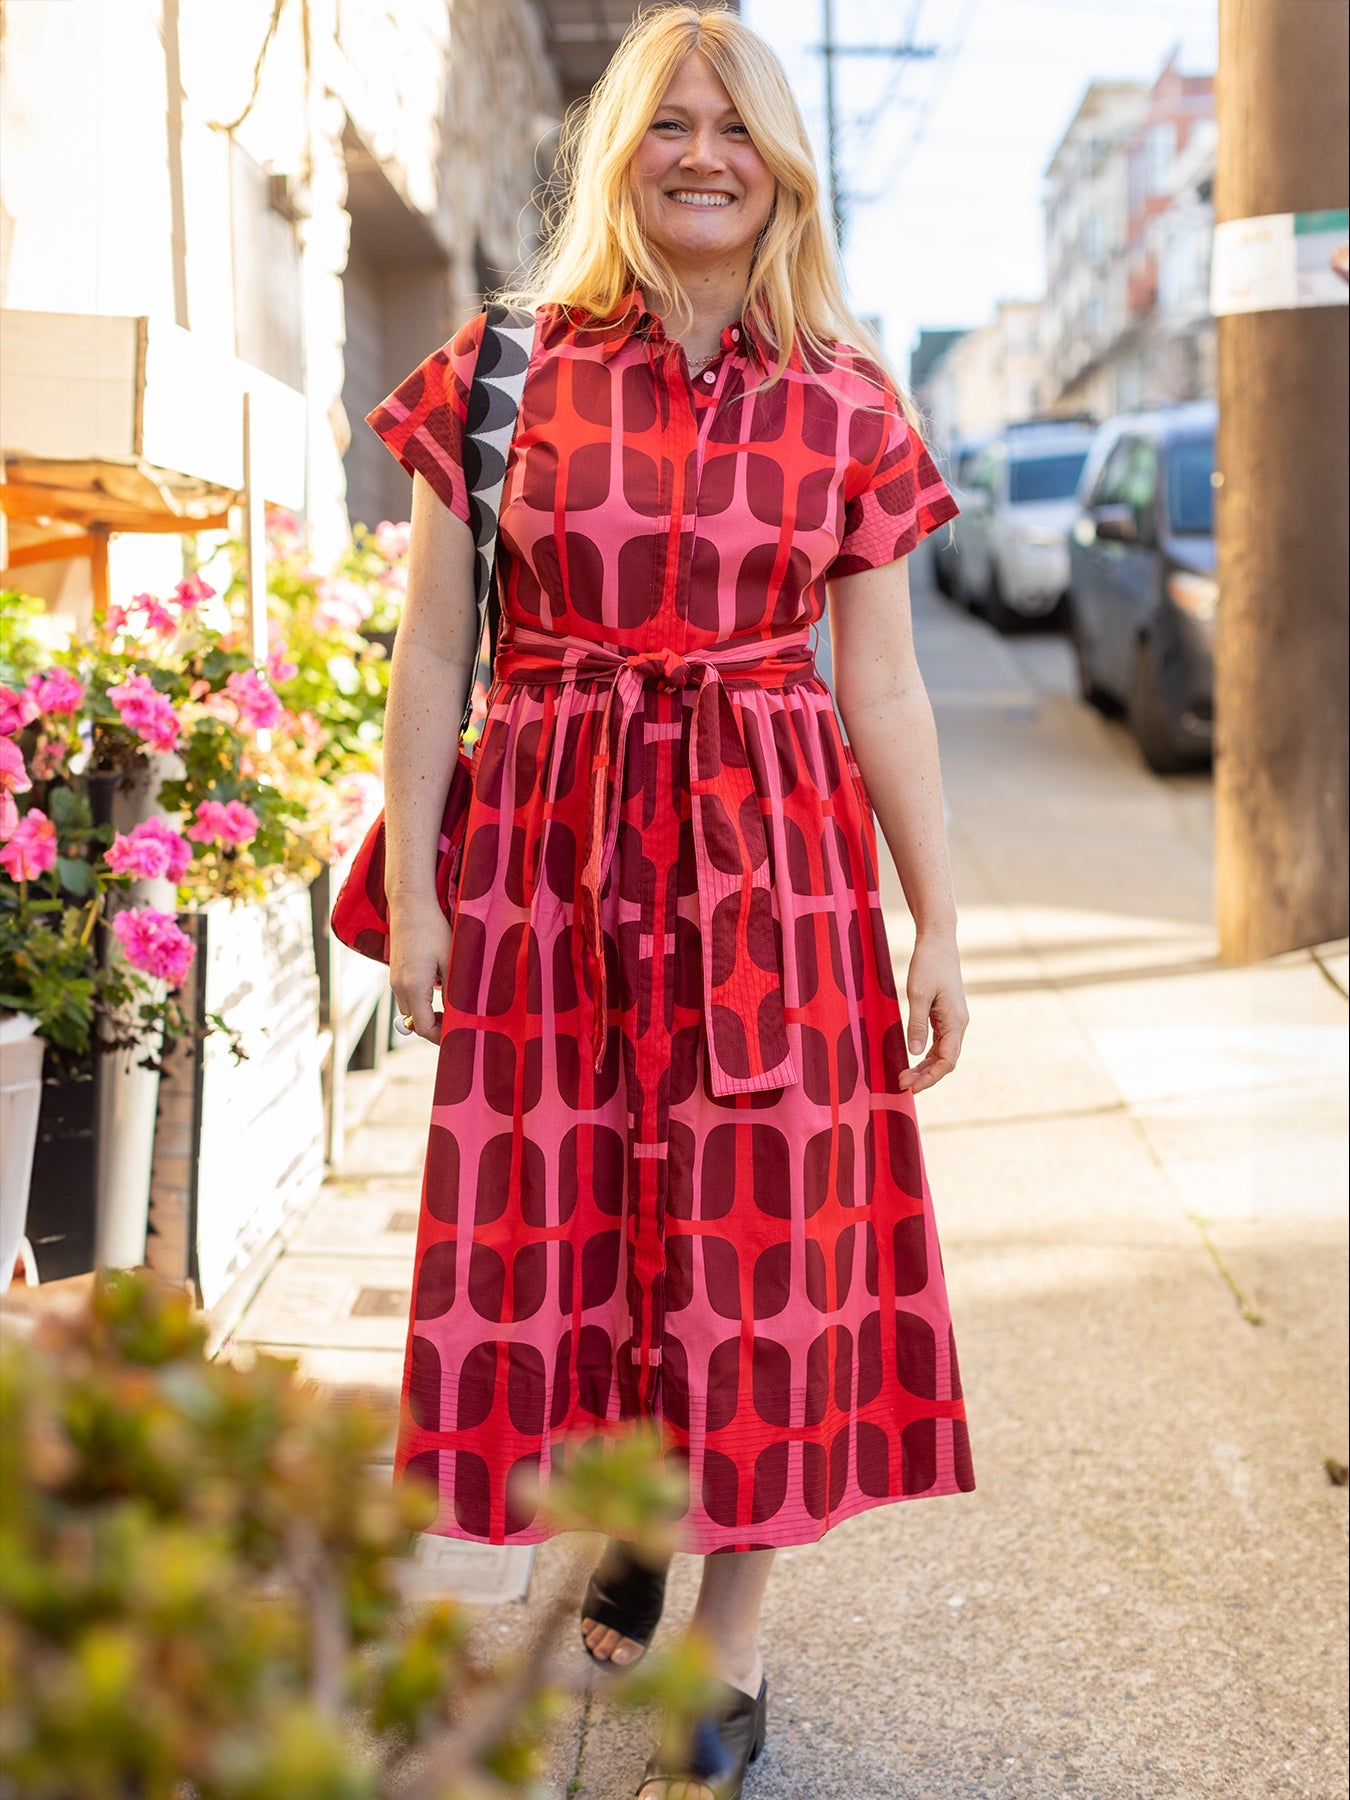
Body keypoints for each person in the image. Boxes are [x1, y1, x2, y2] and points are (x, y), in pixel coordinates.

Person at [367, 6, 973, 1795]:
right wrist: (416, 890)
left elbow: (881, 687)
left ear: (783, 165)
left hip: (770, 875)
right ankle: (631, 1509)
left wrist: (934, 921)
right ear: (616, 155)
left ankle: (730, 1635)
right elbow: (427, 651)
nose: (701, 154)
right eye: (664, 125)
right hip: (552, 860)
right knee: (590, 1234)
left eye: (734, 127)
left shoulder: (846, 397)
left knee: (767, 1252)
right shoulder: (504, 368)